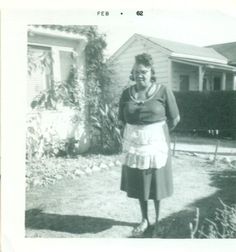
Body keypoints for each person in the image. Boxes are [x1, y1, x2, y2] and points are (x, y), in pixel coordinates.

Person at [118, 53, 180, 238]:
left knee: (156, 183)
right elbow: (121, 120)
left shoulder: (162, 91)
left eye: (144, 72)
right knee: (140, 182)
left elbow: (175, 119)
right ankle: (145, 219)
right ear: (133, 72)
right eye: (136, 71)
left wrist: (157, 135)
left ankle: (159, 221)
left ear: (151, 72)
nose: (140, 75)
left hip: (156, 144)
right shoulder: (126, 93)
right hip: (135, 144)